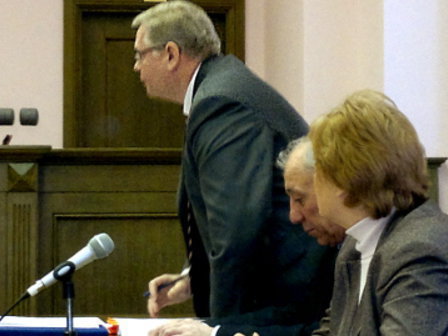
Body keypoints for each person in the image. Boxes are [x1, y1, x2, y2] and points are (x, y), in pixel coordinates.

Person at [133, 1, 335, 334]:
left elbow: (238, 228)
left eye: (140, 54)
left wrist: (218, 329)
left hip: (283, 304)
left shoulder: (221, 101)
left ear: (171, 54)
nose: (136, 67)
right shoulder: (223, 87)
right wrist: (192, 279)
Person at [149, 138, 344, 336]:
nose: (293, 216)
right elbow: (295, 314)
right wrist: (211, 327)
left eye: (300, 199)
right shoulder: (335, 246)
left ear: (339, 190)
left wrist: (215, 333)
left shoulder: (361, 251)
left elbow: (317, 331)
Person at [307, 89, 448, 335]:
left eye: (317, 166)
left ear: (342, 181)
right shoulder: (356, 244)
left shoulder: (419, 250)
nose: (313, 178)